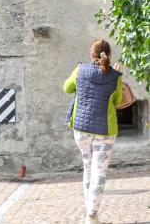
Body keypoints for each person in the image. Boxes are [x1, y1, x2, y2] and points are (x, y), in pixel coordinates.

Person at [63, 39, 123, 224]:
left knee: (88, 168)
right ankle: (92, 215)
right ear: (109, 55)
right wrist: (117, 73)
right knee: (99, 173)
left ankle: (89, 214)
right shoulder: (116, 76)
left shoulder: (80, 70)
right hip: (105, 130)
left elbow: (67, 88)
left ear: (92, 55)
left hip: (82, 129)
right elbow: (118, 102)